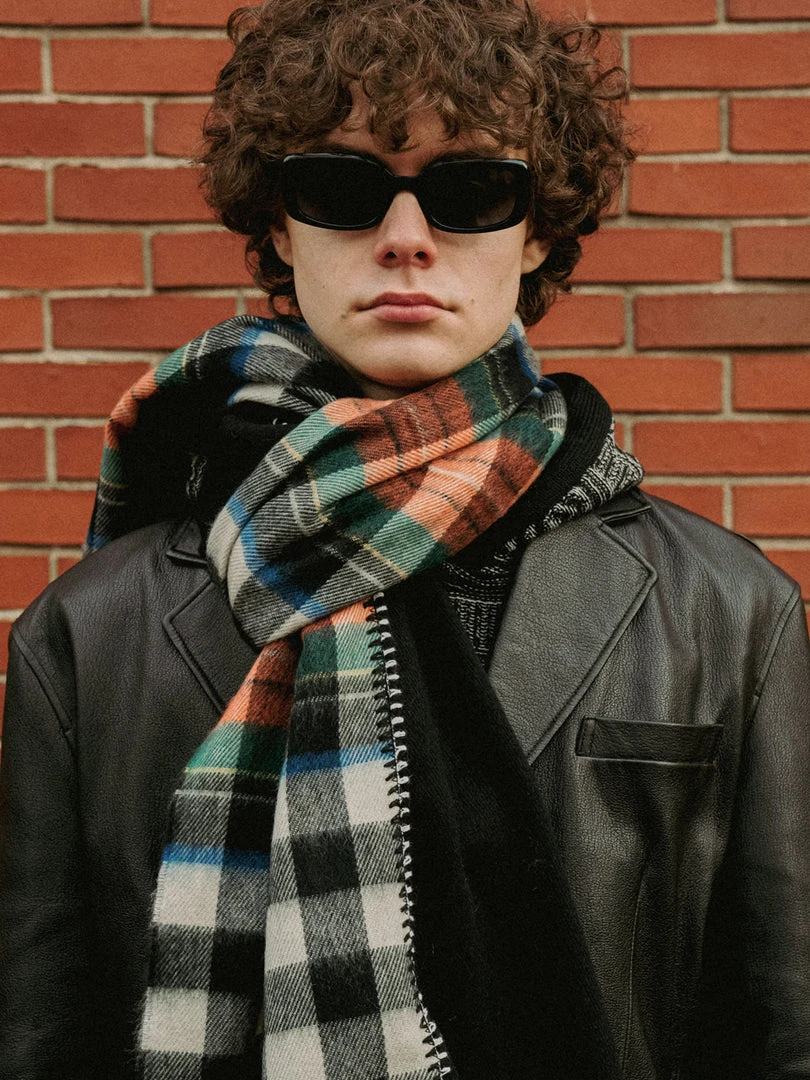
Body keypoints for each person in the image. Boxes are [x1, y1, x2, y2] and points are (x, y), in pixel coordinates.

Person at [1, 0, 808, 1077]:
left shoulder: (727, 610)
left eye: (473, 190)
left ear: (537, 231)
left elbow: (777, 1026)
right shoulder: (90, 633)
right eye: (341, 188)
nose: (406, 237)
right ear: (279, 227)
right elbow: (42, 1036)